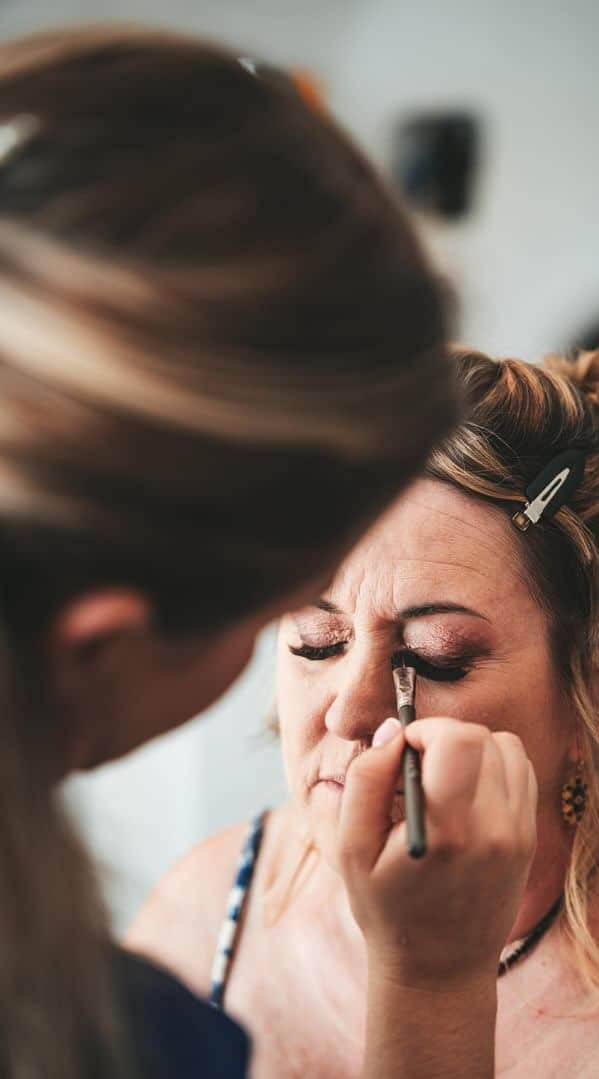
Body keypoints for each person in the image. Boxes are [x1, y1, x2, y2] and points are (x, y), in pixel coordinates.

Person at [0, 23, 484, 1079]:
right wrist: (436, 984)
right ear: (98, 645)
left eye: (439, 656)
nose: (353, 710)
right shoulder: (113, 1038)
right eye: (299, 627)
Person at [130, 346, 599, 1078]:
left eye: (437, 657)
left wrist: (431, 987)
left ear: (597, 692)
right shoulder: (203, 913)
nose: (349, 712)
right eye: (317, 641)